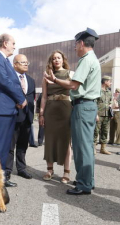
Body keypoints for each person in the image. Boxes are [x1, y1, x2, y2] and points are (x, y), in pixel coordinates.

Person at [45, 28, 101, 195]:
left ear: (81, 43)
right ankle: (87, 180)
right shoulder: (93, 59)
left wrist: (54, 80)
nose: (75, 48)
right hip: (88, 106)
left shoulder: (86, 59)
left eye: (76, 45)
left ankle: (84, 184)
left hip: (83, 106)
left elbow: (73, 85)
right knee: (86, 146)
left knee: (81, 147)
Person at [0, 33, 27, 187]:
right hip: (2, 109)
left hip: (9, 109)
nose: (14, 47)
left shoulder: (4, 60)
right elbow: (4, 81)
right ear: (4, 43)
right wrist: (20, 98)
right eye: (13, 43)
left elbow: (12, 81)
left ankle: (0, 179)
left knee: (4, 149)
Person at [39, 50, 73, 184]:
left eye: (59, 58)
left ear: (63, 59)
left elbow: (74, 89)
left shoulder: (70, 73)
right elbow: (44, 97)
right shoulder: (46, 76)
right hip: (50, 109)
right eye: (54, 58)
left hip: (65, 108)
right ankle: (50, 169)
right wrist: (41, 113)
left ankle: (66, 172)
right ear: (51, 61)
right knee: (50, 140)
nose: (56, 60)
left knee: (66, 141)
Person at [6, 54, 35, 181]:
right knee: (10, 146)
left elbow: (32, 98)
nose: (25, 64)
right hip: (14, 116)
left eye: (26, 62)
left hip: (27, 117)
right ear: (15, 64)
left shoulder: (31, 80)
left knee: (23, 145)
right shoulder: (9, 79)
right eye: (22, 62)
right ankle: (7, 171)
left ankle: (21, 168)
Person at [94, 76, 113, 155]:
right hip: (98, 115)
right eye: (110, 81)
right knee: (95, 131)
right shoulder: (97, 91)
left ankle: (103, 148)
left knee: (105, 131)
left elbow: (110, 102)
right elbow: (94, 103)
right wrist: (95, 114)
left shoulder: (109, 92)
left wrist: (111, 112)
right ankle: (93, 148)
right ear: (105, 82)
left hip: (106, 115)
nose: (111, 83)